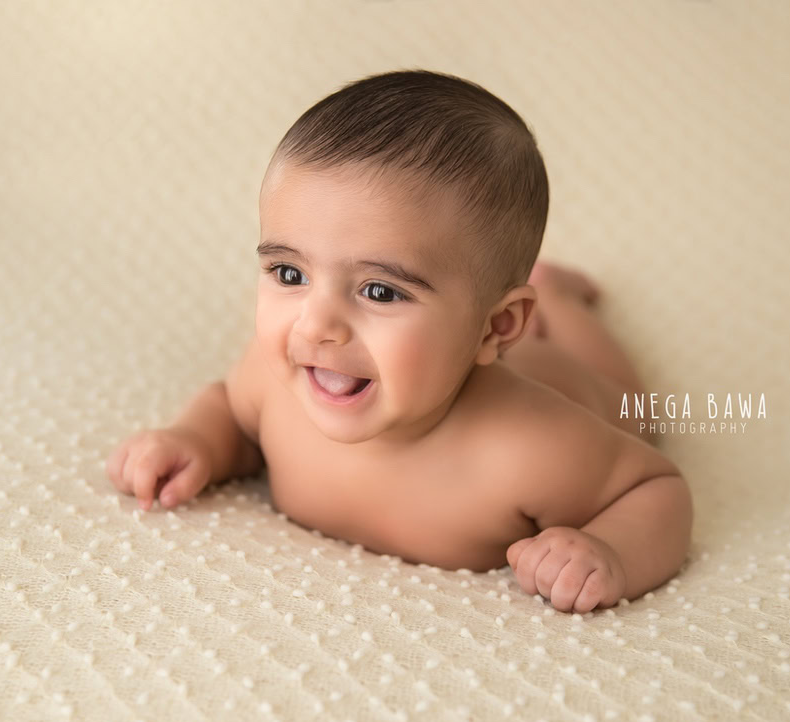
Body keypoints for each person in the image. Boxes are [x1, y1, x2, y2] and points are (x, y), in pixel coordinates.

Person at [107, 69, 693, 614]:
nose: (318, 326)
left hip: (569, 382)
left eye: (380, 292)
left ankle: (557, 300)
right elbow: (232, 412)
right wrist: (195, 441)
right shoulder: (276, 380)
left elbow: (656, 487)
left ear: (496, 327)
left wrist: (609, 553)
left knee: (640, 409)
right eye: (290, 275)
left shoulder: (533, 447)